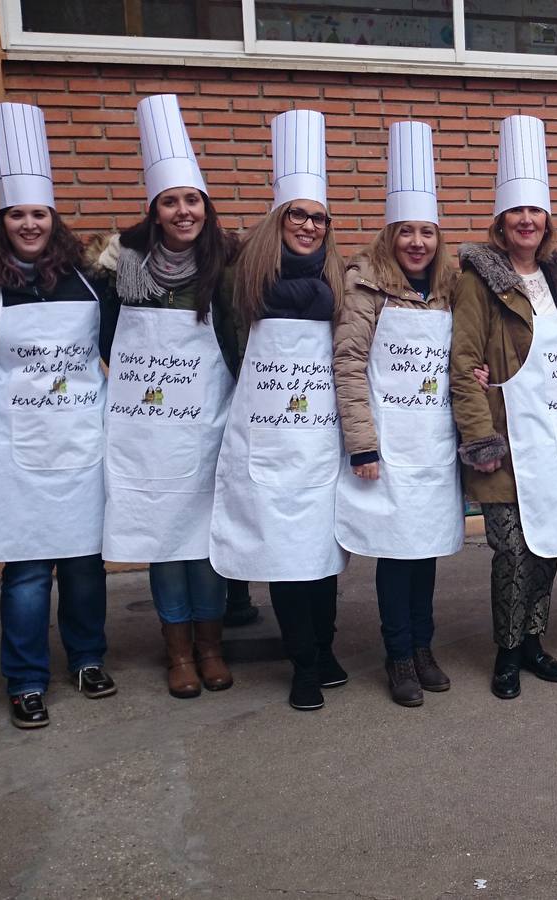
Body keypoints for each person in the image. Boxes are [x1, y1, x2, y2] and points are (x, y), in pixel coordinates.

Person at [0, 103, 120, 728]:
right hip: (16, 447)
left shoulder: (89, 278)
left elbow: (121, 348)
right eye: (17, 214)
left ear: (53, 221)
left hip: (81, 440)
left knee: (84, 563)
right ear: (2, 222)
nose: (29, 223)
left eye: (39, 214)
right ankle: (26, 679)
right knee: (27, 570)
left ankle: (87, 658)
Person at [95, 94, 239, 700]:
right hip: (147, 428)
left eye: (192, 200)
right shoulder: (119, 266)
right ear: (154, 210)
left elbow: (239, 336)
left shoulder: (228, 262)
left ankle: (211, 646)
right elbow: (104, 339)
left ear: (206, 206)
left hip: (208, 423)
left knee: (204, 541)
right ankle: (177, 649)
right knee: (162, 538)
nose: (184, 211)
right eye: (171, 201)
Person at [211, 109, 348, 712]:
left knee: (322, 553)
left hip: (320, 437)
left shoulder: (341, 281)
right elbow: (222, 346)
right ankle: (303, 663)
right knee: (286, 555)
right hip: (265, 436)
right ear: (278, 219)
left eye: (319, 218)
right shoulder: (242, 278)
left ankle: (327, 647)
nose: (309, 227)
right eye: (298, 215)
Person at [450, 115, 557, 700]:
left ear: (546, 220)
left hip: (553, 433)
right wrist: (479, 436)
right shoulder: (478, 280)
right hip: (505, 438)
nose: (526, 220)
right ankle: (506, 652)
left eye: (535, 211)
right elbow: (463, 362)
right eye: (516, 212)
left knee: (547, 542)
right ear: (501, 222)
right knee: (510, 548)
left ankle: (533, 640)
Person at [334, 122, 462, 707]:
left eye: (427, 231)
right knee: (395, 552)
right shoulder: (365, 287)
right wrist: (362, 444)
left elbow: (462, 357)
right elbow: (348, 365)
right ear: (390, 236)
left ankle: (424, 645)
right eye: (406, 231)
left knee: (425, 548)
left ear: (438, 238)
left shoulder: (450, 289)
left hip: (433, 443)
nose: (417, 242)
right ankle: (399, 655)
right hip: (386, 445)